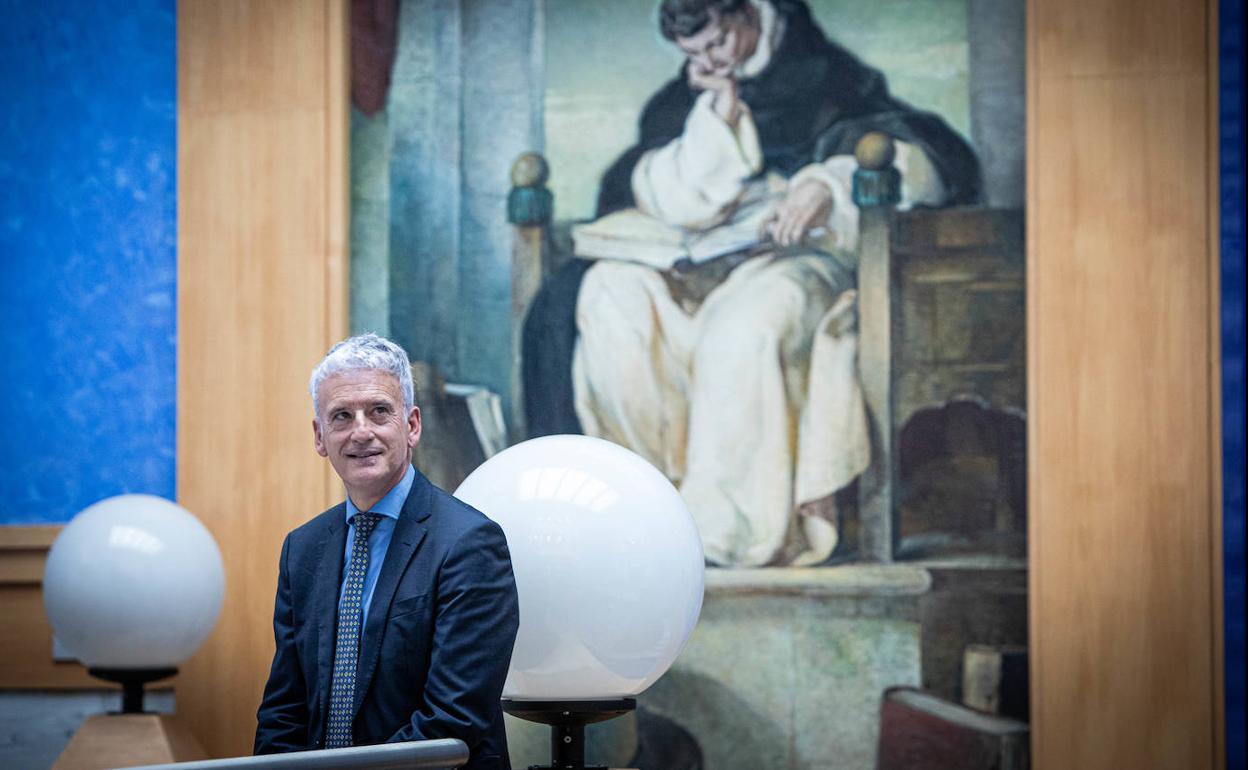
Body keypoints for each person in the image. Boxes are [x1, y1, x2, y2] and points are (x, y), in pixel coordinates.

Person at [524, 0, 980, 567]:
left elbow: (924, 159)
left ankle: (721, 532)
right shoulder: (685, 99)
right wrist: (716, 115)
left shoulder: (833, 80)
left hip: (801, 261)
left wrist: (828, 185)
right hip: (702, 264)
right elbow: (659, 193)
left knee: (746, 327)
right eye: (693, 55)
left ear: (750, 15)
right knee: (610, 296)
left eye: (718, 45)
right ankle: (637, 513)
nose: (708, 61)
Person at [255, 333, 519, 769]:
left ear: (411, 425)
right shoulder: (301, 549)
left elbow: (452, 721)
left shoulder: (470, 543)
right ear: (320, 437)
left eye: (379, 411)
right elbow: (284, 710)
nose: (361, 431)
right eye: (342, 416)